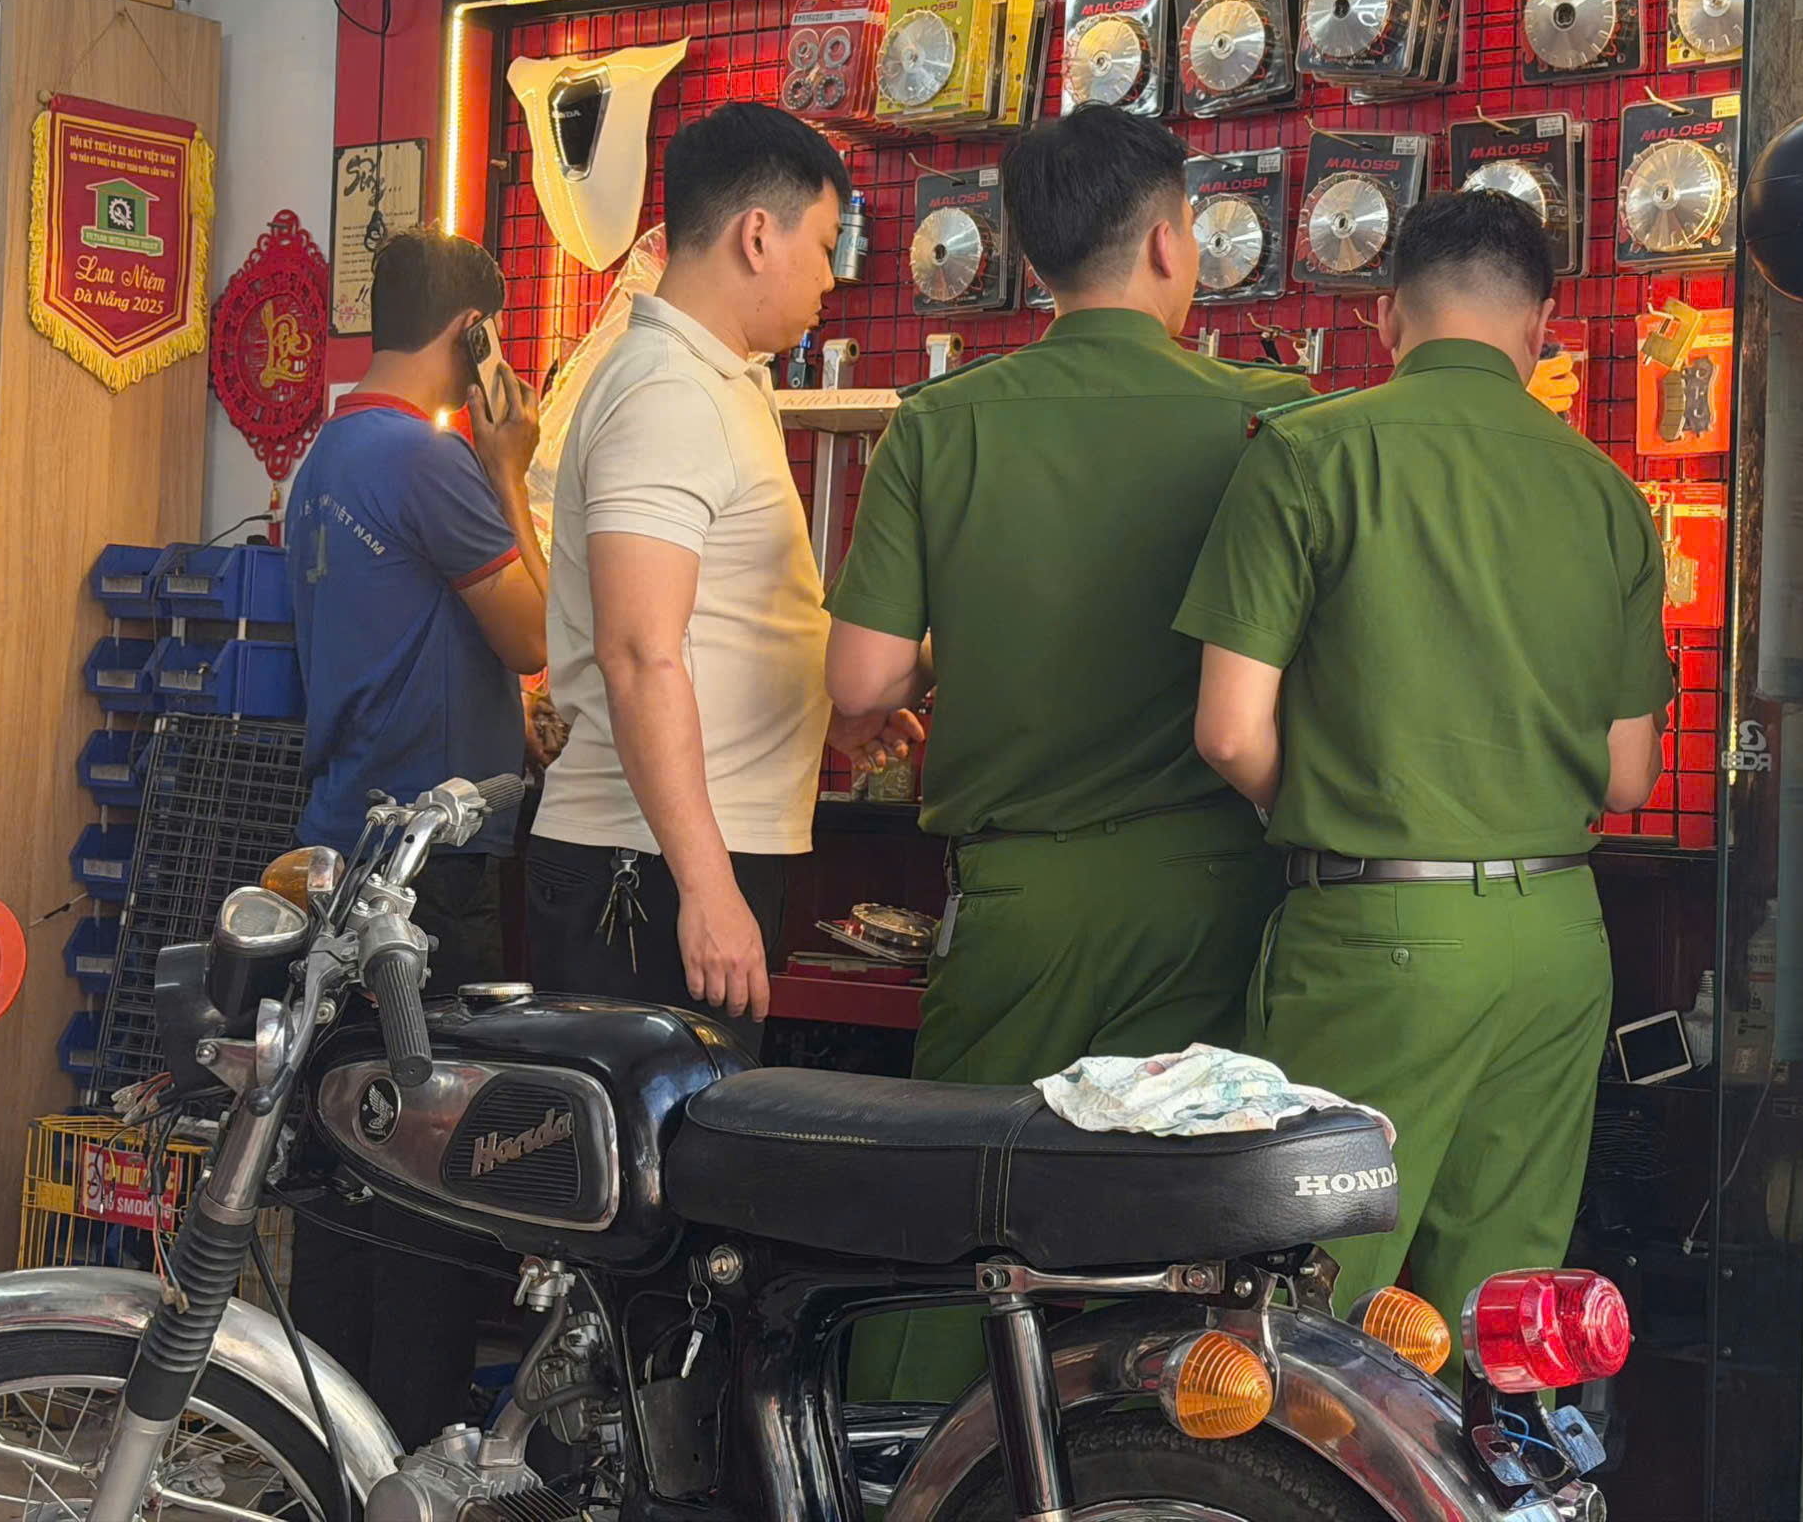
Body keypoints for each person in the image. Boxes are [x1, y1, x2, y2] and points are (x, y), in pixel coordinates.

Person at [827, 105, 1313, 1400]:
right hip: (1216, 893)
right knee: (1185, 1250)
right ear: (1167, 244)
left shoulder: (941, 423)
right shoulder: (1271, 417)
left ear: (1027, 255)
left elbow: (861, 682)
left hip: (1018, 901)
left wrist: (960, 647)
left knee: (965, 1227)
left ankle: (903, 1464)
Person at [1177, 188, 1673, 1363]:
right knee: (1503, 1319)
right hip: (1557, 939)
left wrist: (1326, 799)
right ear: (1541, 329)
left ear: (1388, 316)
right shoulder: (1607, 492)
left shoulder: (1311, 453)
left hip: (1379, 934)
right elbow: (1628, 775)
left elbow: (1229, 733)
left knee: (1299, 1311)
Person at [526, 103, 920, 1049]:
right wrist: (705, 886)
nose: (830, 277)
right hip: (646, 867)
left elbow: (721, 625)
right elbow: (639, 653)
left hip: (679, 851)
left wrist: (823, 708)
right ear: (756, 236)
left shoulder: (719, 380)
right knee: (650, 1141)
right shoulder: (668, 392)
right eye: (822, 246)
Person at [283, 224, 547, 1448]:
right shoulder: (433, 463)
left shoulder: (328, 454)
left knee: (345, 1164)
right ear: (473, 333)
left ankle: (328, 1447)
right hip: (426, 872)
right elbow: (535, 633)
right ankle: (413, 1452)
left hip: (339, 849)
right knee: (433, 1171)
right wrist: (509, 465)